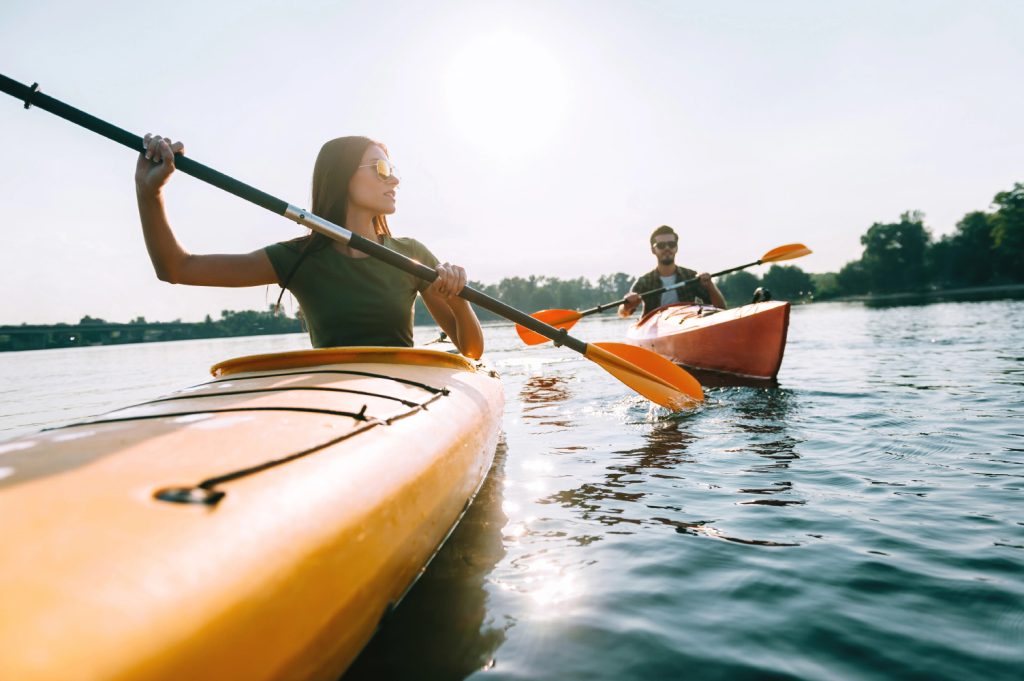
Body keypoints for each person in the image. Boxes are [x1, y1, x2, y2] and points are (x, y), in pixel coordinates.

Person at [134, 134, 484, 358]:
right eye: (381, 168)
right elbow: (176, 268)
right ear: (342, 175)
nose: (394, 178)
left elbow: (470, 351)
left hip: (403, 394)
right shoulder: (297, 258)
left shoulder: (412, 255)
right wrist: (150, 192)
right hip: (331, 395)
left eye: (392, 168)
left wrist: (459, 299)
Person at [617, 225, 726, 318]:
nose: (667, 248)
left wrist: (710, 285)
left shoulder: (691, 276)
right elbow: (623, 314)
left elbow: (721, 308)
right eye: (661, 245)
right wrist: (628, 305)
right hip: (655, 328)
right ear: (653, 250)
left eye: (671, 244)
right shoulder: (644, 281)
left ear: (676, 248)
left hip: (687, 322)